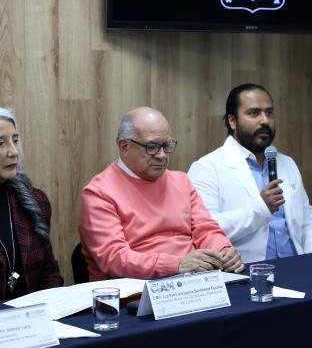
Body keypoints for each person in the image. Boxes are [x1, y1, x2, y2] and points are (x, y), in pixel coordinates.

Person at [79, 107, 244, 281]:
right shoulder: (98, 193)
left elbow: (206, 230)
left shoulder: (181, 181)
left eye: (166, 146)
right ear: (124, 146)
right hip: (133, 290)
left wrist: (224, 251)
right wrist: (176, 265)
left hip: (192, 282)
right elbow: (114, 258)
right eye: (152, 147)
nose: (162, 155)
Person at [188, 84, 312, 263]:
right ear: (232, 121)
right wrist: (261, 208)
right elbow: (205, 231)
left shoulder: (287, 163)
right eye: (254, 113)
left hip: (298, 267)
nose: (265, 121)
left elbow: (307, 223)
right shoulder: (206, 168)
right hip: (247, 271)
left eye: (269, 113)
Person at [0, 108, 63, 300]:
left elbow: (50, 274)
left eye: (15, 141)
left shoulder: (33, 201)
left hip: (32, 316)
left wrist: (44, 310)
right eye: (1, 143)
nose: (14, 152)